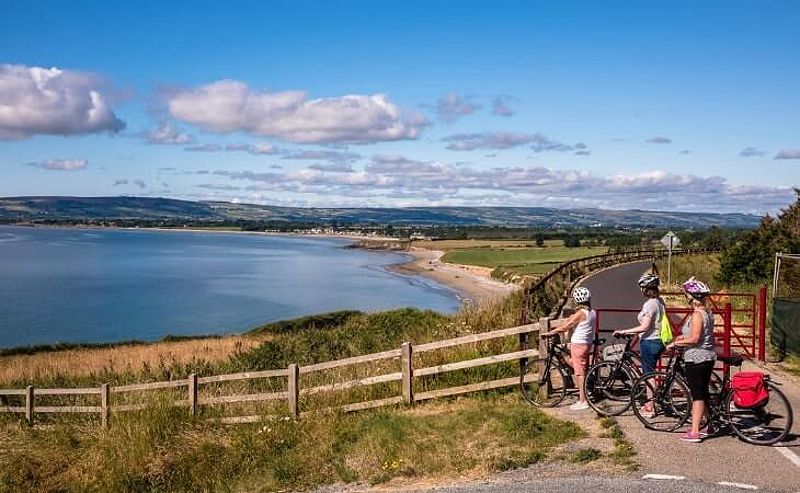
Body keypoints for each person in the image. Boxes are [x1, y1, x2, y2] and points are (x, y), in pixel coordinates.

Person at [666, 276, 715, 443]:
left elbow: (694, 338)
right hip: (706, 357)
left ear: (692, 297)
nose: (685, 296)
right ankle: (709, 424)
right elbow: (695, 335)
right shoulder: (706, 313)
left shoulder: (697, 316)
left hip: (697, 359)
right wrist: (681, 338)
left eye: (686, 294)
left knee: (698, 396)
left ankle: (695, 431)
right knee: (703, 393)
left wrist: (675, 343)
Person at [613, 272, 666, 416]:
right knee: (650, 372)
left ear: (646, 288)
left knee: (648, 375)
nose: (641, 290)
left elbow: (645, 326)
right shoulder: (660, 302)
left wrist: (624, 331)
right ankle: (651, 402)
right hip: (658, 340)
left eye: (642, 287)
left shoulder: (650, 304)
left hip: (650, 341)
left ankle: (650, 406)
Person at [540, 286, 596, 410]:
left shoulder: (581, 313)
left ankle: (583, 401)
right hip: (586, 344)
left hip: (578, 345)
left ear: (577, 300)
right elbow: (571, 321)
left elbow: (568, 326)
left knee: (579, 373)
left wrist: (551, 333)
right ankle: (587, 388)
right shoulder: (591, 312)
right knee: (574, 363)